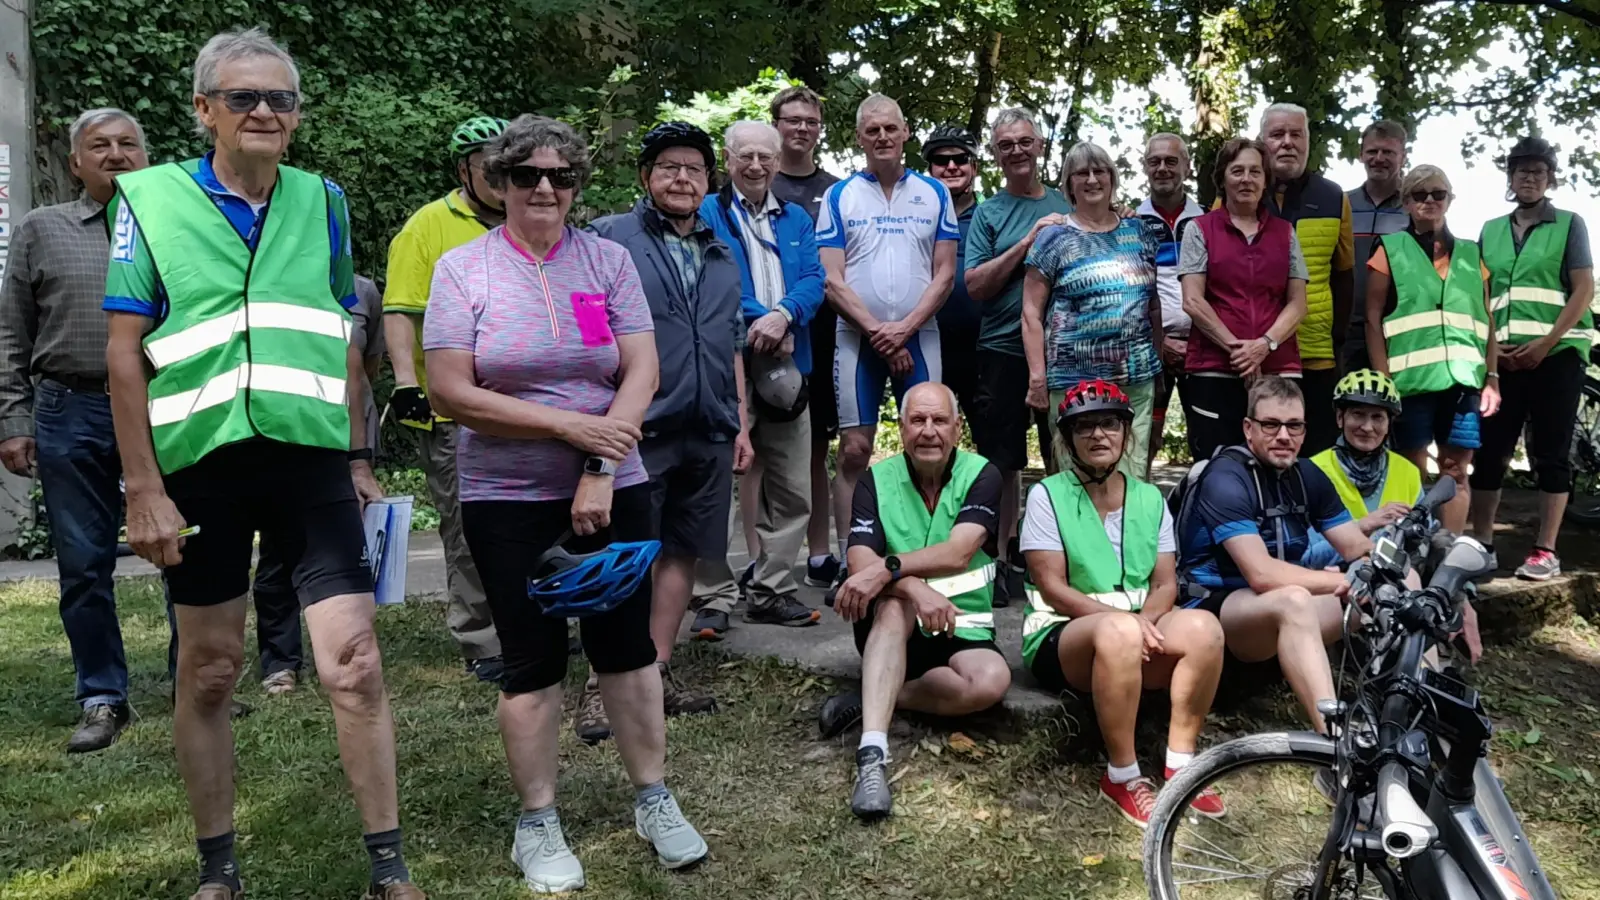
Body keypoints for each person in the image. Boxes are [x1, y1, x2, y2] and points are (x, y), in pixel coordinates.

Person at [102, 28, 424, 900]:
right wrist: (144, 489)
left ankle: (389, 868)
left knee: (353, 658)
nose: (265, 112)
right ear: (204, 108)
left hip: (309, 460)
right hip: (201, 464)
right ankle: (219, 868)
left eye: (280, 99)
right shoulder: (151, 200)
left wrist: (360, 456)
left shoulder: (324, 200)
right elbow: (124, 352)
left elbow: (345, 337)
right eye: (244, 97)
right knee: (208, 669)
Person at [424, 114, 708, 892]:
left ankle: (654, 797)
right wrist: (565, 423)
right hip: (505, 494)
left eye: (560, 176)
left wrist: (596, 460)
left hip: (616, 484)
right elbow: (451, 389)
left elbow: (640, 371)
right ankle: (537, 821)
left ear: (578, 184)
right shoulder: (462, 270)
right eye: (526, 175)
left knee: (627, 648)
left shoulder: (609, 262)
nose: (544, 188)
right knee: (532, 661)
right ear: (498, 181)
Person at [588, 122, 749, 739]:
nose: (683, 179)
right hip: (639, 426)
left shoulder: (719, 246)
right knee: (626, 554)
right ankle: (605, 687)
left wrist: (740, 419)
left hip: (708, 424)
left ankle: (655, 671)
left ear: (710, 180)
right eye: (669, 167)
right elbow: (587, 330)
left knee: (684, 546)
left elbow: (732, 337)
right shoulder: (610, 238)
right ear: (645, 176)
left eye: (695, 169)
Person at [0, 108, 149, 753]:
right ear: (75, 163)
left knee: (183, 548)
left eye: (128, 144)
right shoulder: (40, 229)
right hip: (71, 409)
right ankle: (102, 695)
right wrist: (14, 417)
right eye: (100, 146)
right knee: (83, 563)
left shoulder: (174, 227)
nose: (115, 155)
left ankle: (199, 680)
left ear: (146, 156)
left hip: (161, 407)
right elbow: (11, 332)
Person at [1020, 380, 1225, 829]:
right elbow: (1052, 588)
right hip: (1064, 635)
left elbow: (1166, 583)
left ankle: (1181, 763)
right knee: (1118, 631)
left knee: (1204, 628)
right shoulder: (1046, 495)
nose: (1098, 435)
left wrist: (1146, 623)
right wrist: (1129, 623)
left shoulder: (1151, 498)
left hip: (1137, 631)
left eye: (1109, 424)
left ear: (1126, 434)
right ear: (1067, 438)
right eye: (1084, 426)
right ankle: (1123, 774)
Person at [818, 382, 1011, 821]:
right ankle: (872, 755)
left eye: (939, 420)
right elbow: (860, 559)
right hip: (894, 625)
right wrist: (912, 586)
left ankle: (881, 696)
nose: (929, 431)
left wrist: (889, 571)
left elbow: (959, 551)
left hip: (961, 625)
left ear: (958, 429)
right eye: (917, 421)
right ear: (901, 429)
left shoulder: (983, 475)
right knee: (892, 605)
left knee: (991, 682)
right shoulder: (874, 479)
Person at [382, 115, 507, 685]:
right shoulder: (429, 225)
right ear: (464, 170)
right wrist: (408, 383)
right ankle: (481, 637)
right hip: (455, 407)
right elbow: (401, 311)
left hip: (524, 402)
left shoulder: (530, 219)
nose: (505, 178)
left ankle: (526, 622)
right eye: (491, 168)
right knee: (466, 524)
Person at [691, 120, 826, 638]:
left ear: (776, 161)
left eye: (764, 157)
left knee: (793, 485)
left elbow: (815, 278)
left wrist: (787, 314)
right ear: (728, 160)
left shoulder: (795, 217)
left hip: (788, 366)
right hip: (724, 361)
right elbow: (713, 275)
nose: (755, 166)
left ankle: (772, 589)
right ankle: (713, 596)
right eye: (745, 156)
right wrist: (761, 320)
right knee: (717, 479)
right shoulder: (708, 212)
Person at [1176, 377, 1370, 734]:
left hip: (1275, 607)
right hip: (1215, 610)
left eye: (1294, 426)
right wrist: (1344, 579)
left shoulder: (1307, 474)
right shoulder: (1225, 477)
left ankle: (1415, 702)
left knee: (1397, 580)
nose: (1284, 436)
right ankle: (1334, 737)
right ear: (1249, 429)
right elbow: (1261, 574)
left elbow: (1357, 547)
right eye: (1271, 425)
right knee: (1294, 600)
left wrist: (1381, 568)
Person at [817, 93, 959, 576]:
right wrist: (880, 332)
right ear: (859, 137)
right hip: (858, 338)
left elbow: (944, 274)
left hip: (921, 335)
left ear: (905, 134)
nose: (882, 137)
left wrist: (905, 329)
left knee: (931, 439)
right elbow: (831, 279)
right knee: (856, 448)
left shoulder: (934, 193)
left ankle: (928, 548)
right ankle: (849, 555)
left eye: (890, 129)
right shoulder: (840, 196)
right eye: (871, 130)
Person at [246, 273, 386, 697]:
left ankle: (349, 651)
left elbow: (366, 368)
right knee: (277, 555)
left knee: (345, 553)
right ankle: (281, 661)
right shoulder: (269, 278)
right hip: (288, 435)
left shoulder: (362, 291)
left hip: (347, 435)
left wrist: (358, 460)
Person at [1468, 137, 1596, 582]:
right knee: (1490, 451)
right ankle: (1482, 543)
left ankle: (1545, 549)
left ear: (1549, 178)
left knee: (1551, 453)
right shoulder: (1491, 230)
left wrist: (1546, 342)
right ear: (1510, 177)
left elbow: (1583, 289)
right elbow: (1481, 294)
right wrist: (1492, 346)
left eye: (1537, 171)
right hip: (1503, 358)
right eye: (1521, 170)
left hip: (1556, 356)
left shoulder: (1569, 224)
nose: (1528, 177)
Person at [964, 107, 1073, 595]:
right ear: (995, 154)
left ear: (1041, 145)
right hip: (1001, 350)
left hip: (1064, 351)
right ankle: (1003, 555)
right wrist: (1028, 242)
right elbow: (975, 286)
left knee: (1064, 455)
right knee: (1001, 462)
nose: (1016, 151)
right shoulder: (988, 213)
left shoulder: (1067, 203)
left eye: (1024, 141)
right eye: (1005, 144)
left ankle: (1062, 551)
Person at [1363, 165, 1499, 536]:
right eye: (1419, 194)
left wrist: (1492, 377)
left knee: (1456, 473)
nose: (1429, 201)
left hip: (1463, 383)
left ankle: (1449, 554)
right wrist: (1383, 379)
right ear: (1406, 201)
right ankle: (1413, 553)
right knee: (1412, 472)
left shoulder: (1472, 254)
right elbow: (1372, 318)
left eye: (1438, 194)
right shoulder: (1388, 248)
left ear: (1450, 200)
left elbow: (1486, 320)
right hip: (1411, 385)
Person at [1021, 141, 1161, 479]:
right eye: (1082, 173)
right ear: (1069, 184)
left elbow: (1153, 304)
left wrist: (1158, 359)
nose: (1092, 179)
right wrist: (1037, 377)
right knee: (1077, 478)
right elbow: (1030, 313)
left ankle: (1130, 534)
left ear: (1112, 179)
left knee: (1132, 476)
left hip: (1136, 380)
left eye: (1100, 171)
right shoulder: (1053, 237)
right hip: (1073, 381)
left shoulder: (1139, 231)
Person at [1179, 137, 1310, 461]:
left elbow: (1298, 303)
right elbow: (1193, 301)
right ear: (1222, 177)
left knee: (1277, 464)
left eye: (1255, 171)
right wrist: (1240, 351)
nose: (1246, 179)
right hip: (1213, 369)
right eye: (1237, 171)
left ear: (1266, 180)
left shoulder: (1286, 232)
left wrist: (1264, 345)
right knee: (1215, 465)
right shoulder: (1199, 229)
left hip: (1278, 368)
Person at [769, 85, 845, 590]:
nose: (801, 128)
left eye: (810, 121)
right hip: (761, 334)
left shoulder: (836, 189)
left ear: (820, 128)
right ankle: (758, 559)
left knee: (815, 445)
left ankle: (820, 554)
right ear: (775, 123)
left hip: (822, 334)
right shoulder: (754, 179)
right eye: (792, 119)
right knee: (757, 447)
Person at [1258, 103, 1355, 455]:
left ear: (1308, 142)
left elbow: (1344, 277)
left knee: (1315, 453)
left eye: (1296, 134)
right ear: (1261, 141)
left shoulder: (1333, 197)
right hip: (1257, 352)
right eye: (1277, 135)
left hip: (1316, 353)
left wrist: (1337, 341)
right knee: (1261, 451)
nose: (1287, 143)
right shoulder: (1240, 192)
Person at [1137, 133, 1206, 472]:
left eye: (1171, 161)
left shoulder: (1208, 220)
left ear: (1187, 167)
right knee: (1143, 439)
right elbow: (1131, 291)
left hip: (1202, 346)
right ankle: (1135, 517)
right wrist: (1159, 341)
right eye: (1155, 161)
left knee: (1207, 440)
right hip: (1152, 349)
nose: (1162, 168)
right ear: (1144, 167)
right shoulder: (1129, 223)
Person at [1308, 369, 1422, 534]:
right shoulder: (1314, 470)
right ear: (1340, 418)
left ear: (1389, 424)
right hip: (1333, 561)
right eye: (1358, 414)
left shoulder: (1408, 472)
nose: (1367, 427)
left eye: (1377, 417)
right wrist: (1364, 524)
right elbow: (1305, 552)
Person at [924, 124, 983, 422]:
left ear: (973, 166)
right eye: (941, 160)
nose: (951, 166)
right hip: (929, 343)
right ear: (929, 168)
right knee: (930, 435)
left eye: (960, 159)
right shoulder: (917, 218)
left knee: (998, 447)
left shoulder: (991, 216)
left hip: (982, 349)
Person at [1345, 121, 1411, 372]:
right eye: (1372, 152)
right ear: (1361, 155)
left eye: (1388, 152)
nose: (1379, 158)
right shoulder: (1342, 204)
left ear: (1403, 157)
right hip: (1345, 329)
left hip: (1397, 330)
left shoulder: (1415, 208)